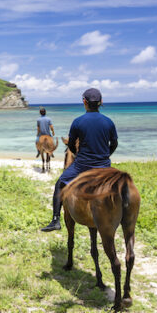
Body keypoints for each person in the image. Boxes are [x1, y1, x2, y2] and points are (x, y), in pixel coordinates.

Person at [40, 88, 118, 232]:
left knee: (60, 183)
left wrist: (78, 155)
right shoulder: (109, 122)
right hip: (104, 166)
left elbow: (71, 144)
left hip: (82, 166)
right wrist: (105, 156)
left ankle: (55, 220)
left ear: (84, 102)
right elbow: (114, 144)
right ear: (101, 102)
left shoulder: (78, 122)